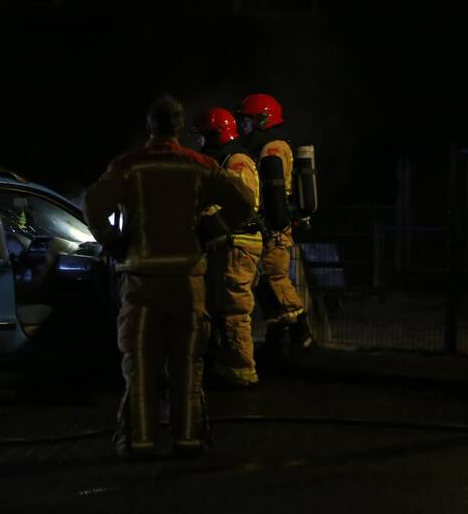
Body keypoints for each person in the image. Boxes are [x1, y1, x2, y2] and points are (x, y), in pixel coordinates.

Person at [84, 95, 255, 459]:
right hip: (187, 284)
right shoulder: (200, 165)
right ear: (179, 128)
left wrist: (114, 243)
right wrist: (211, 231)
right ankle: (188, 440)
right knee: (186, 367)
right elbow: (244, 202)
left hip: (141, 284)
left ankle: (139, 443)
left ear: (150, 126)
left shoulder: (129, 166)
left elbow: (93, 203)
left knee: (140, 369)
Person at [236, 93, 314, 363]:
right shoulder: (265, 145)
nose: (242, 125)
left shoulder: (272, 147)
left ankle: (302, 333)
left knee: (275, 278)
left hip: (275, 226)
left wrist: (273, 221)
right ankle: (277, 339)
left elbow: (274, 192)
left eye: (247, 119)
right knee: (266, 283)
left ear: (263, 119)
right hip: (270, 223)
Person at [198, 107, 263, 387]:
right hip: (227, 244)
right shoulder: (223, 161)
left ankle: (242, 370)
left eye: (202, 136)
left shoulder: (236, 161)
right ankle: (226, 362)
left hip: (238, 243)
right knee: (221, 305)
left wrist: (213, 217)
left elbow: (244, 205)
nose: (200, 142)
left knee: (234, 308)